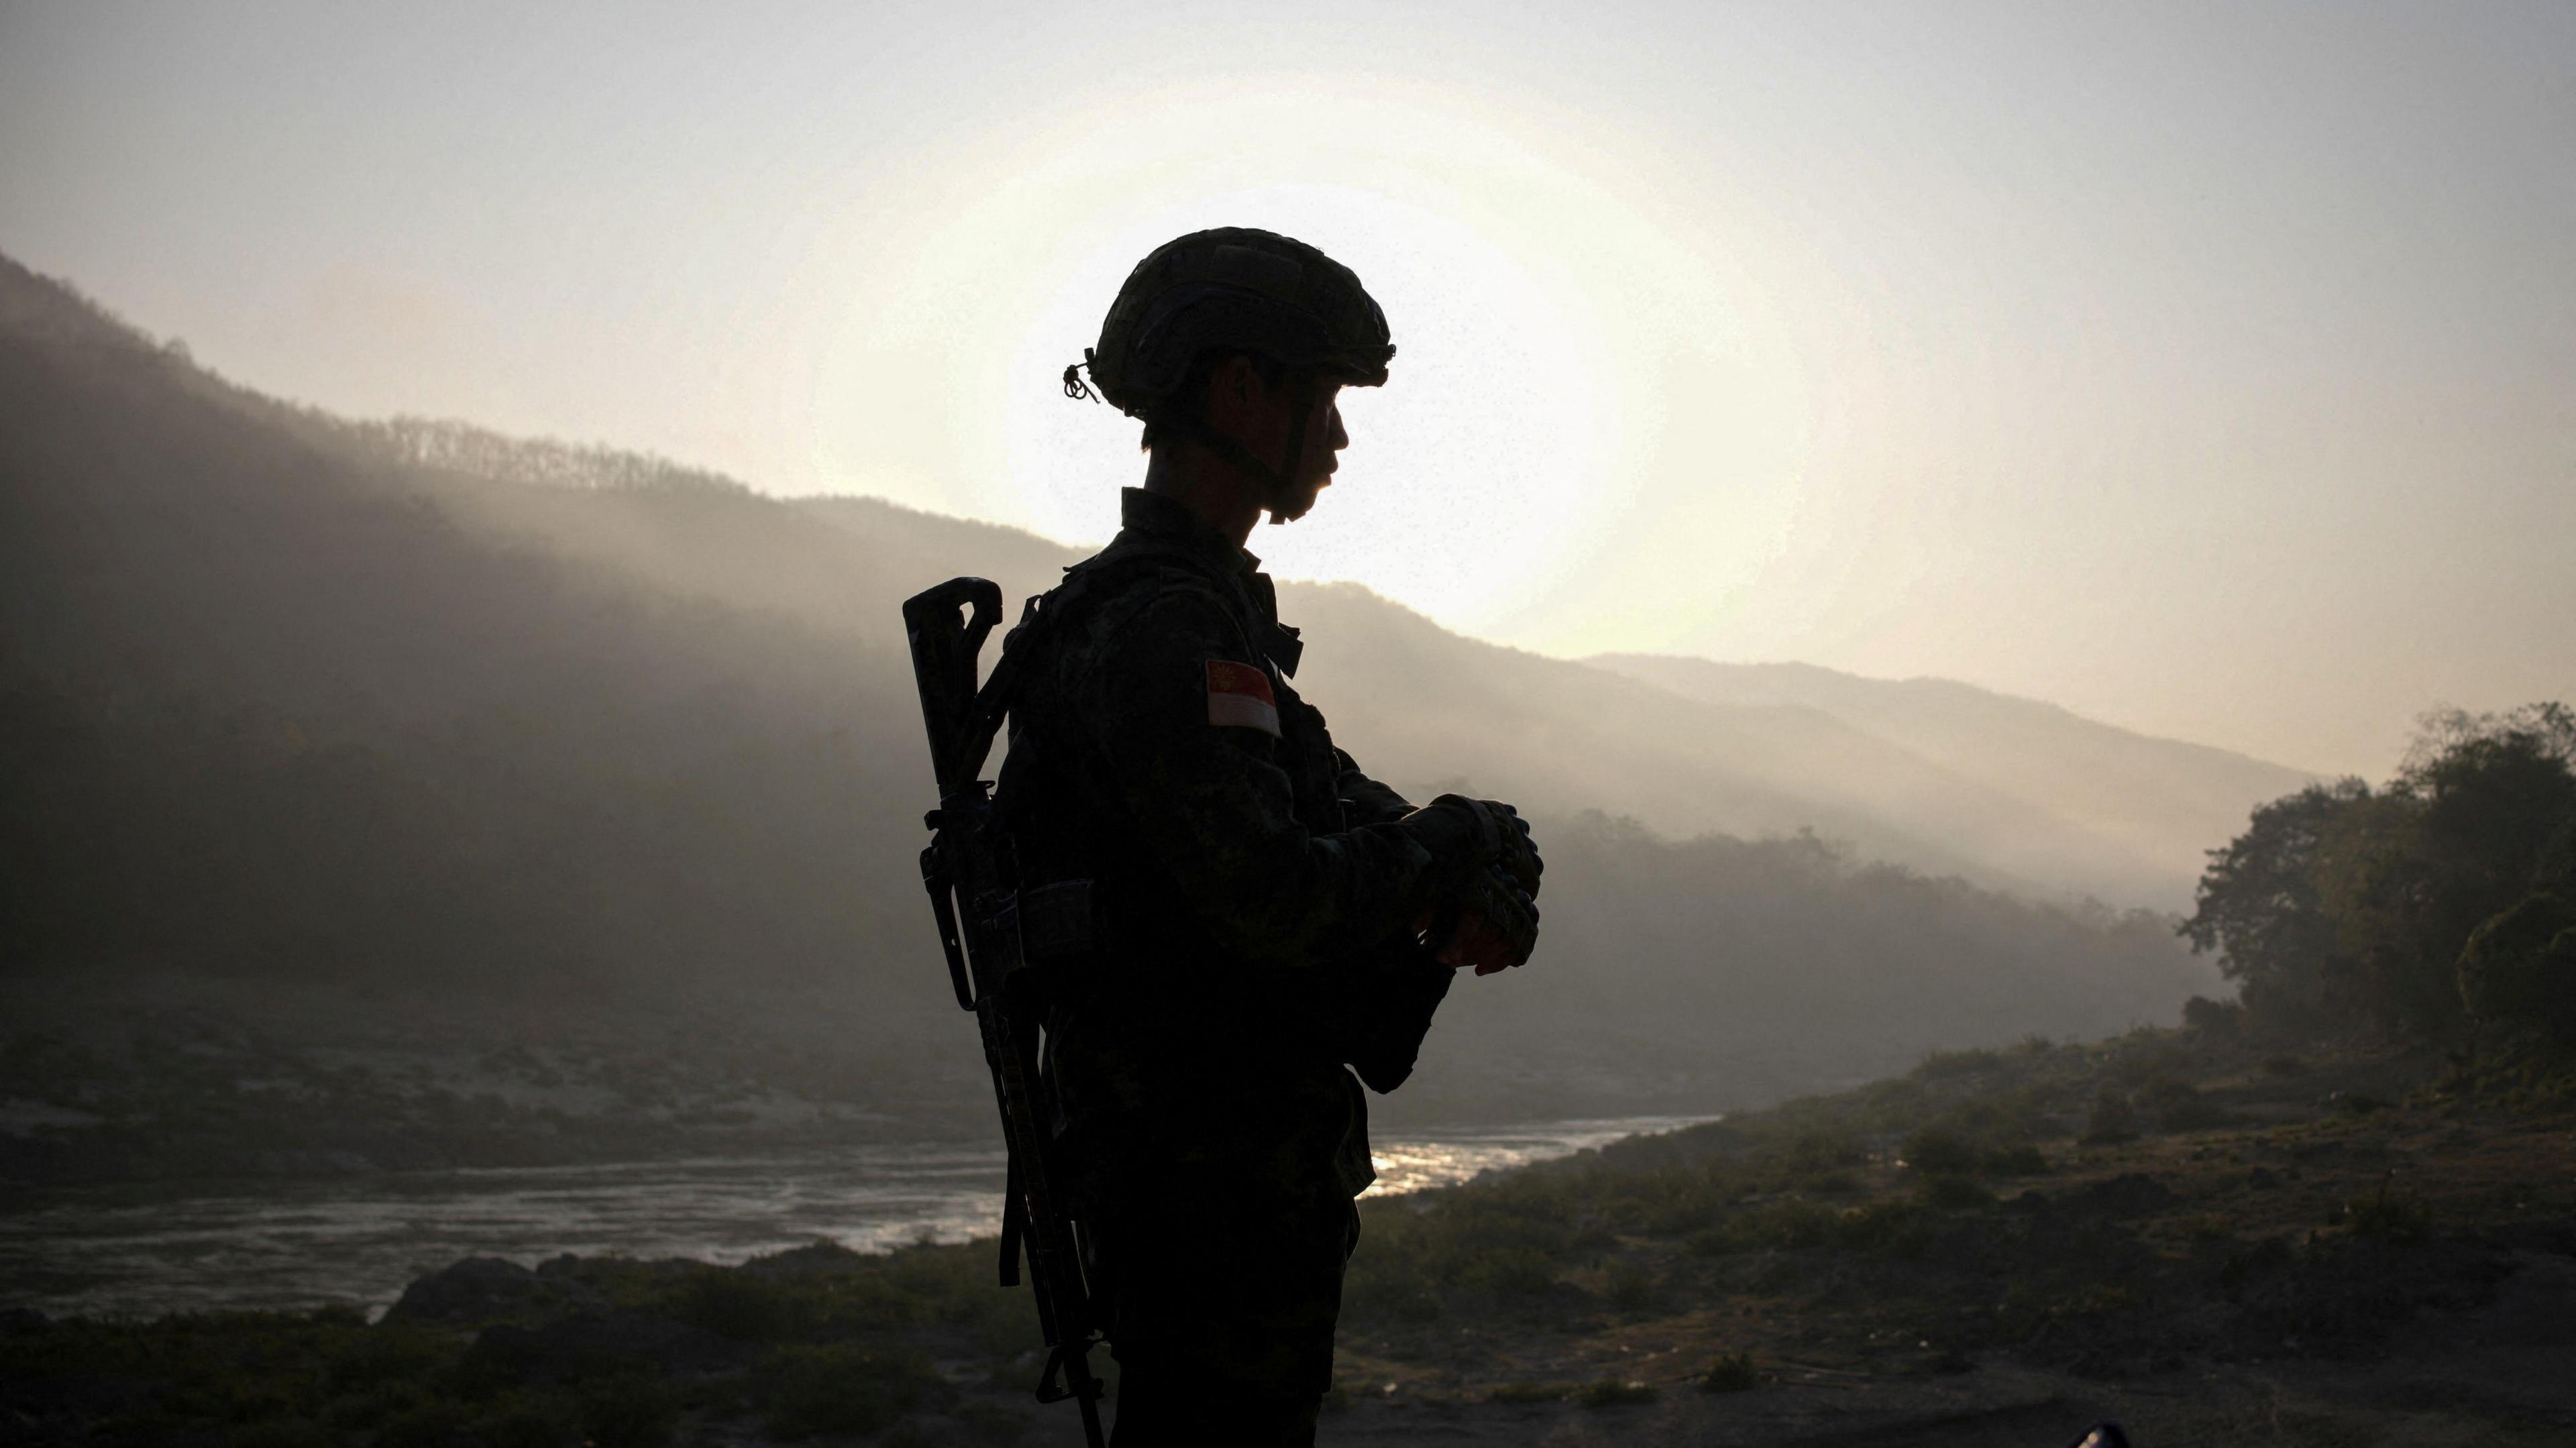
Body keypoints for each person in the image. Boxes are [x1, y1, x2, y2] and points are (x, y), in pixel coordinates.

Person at [989, 227, 1543, 1445]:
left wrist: (1467, 861)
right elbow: (1281, 894)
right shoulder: (1164, 632)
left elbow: (1344, 815)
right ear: (1241, 390)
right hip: (1205, 1193)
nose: (1338, 439)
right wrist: (1448, 846)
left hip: (1219, 1185)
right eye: (1323, 399)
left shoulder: (1198, 625)